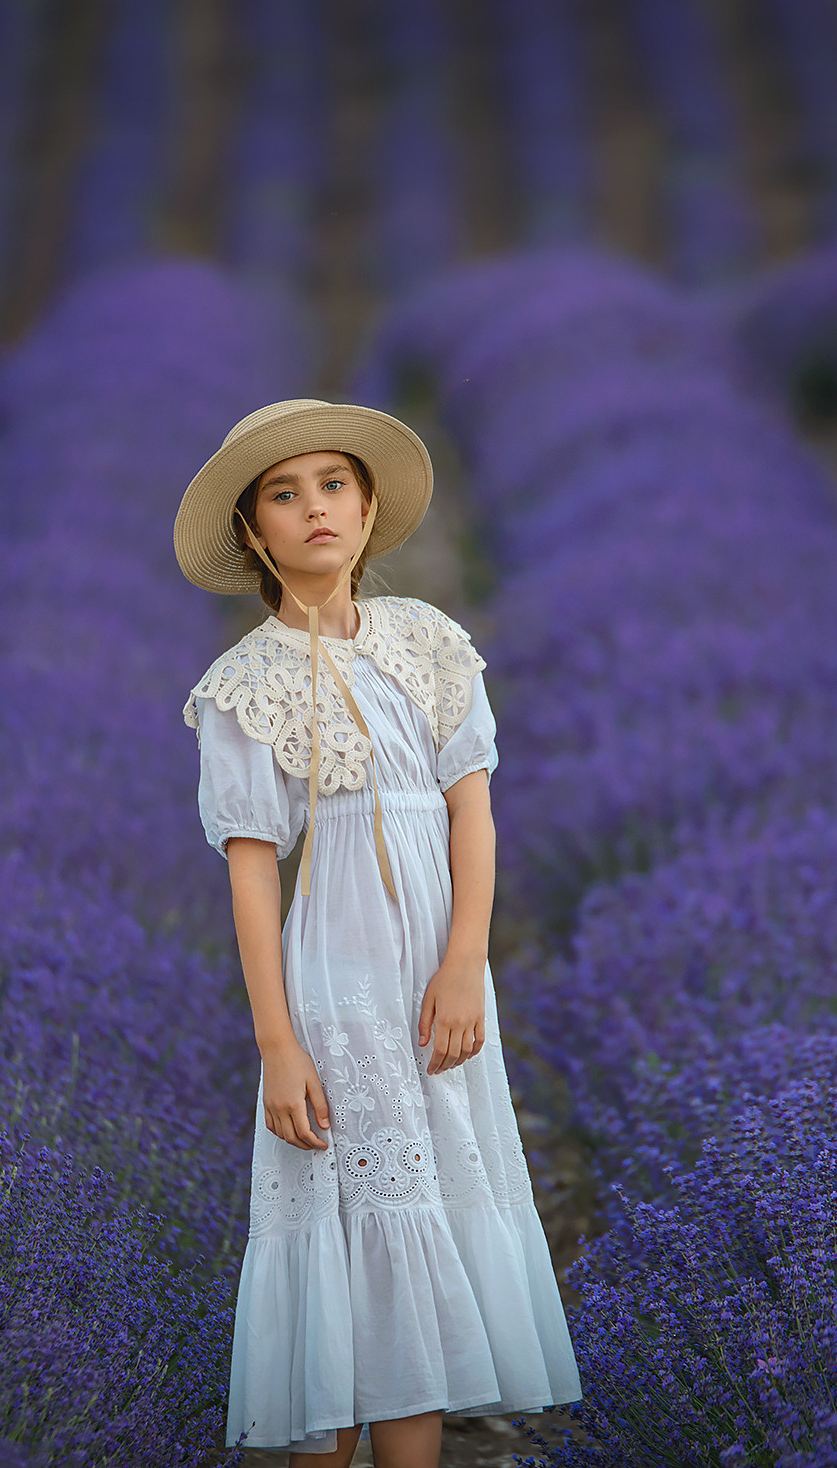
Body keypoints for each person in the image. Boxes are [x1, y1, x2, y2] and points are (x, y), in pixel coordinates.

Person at [175, 400, 582, 1466]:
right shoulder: (244, 688)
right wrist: (277, 1043)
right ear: (255, 534)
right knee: (350, 1222)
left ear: (365, 509)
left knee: (426, 1230)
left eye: (333, 485)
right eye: (283, 493)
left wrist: (464, 966)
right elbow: (254, 878)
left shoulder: (430, 642)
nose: (314, 508)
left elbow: (473, 813)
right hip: (337, 986)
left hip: (439, 980)